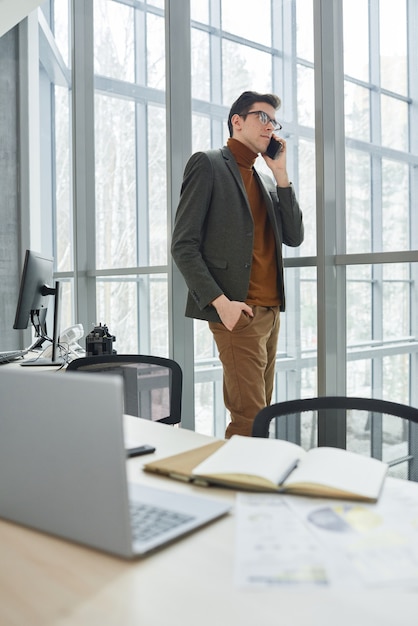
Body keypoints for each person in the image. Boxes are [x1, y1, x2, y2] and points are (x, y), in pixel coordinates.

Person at [171, 91, 304, 438]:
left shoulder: (263, 180)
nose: (269, 127)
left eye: (273, 121)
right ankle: (234, 490)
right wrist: (221, 304)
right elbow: (183, 245)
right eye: (263, 117)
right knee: (249, 419)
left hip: (271, 313)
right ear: (237, 120)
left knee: (261, 418)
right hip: (238, 312)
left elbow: (294, 235)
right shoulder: (209, 163)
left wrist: (281, 175)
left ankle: (245, 485)